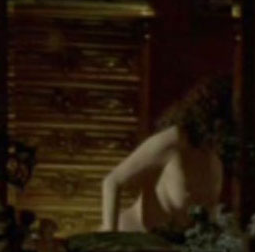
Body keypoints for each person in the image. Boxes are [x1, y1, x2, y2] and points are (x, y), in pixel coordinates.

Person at [100, 75, 237, 232]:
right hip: (134, 234)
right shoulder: (173, 140)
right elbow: (112, 181)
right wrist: (110, 236)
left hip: (170, 244)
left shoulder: (214, 156)